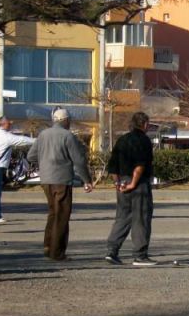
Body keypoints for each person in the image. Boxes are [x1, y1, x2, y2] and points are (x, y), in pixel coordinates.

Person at [27, 108, 93, 261]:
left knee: (53, 213)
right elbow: (78, 160)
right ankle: (57, 253)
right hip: (61, 179)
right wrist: (87, 180)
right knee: (62, 215)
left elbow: (31, 156)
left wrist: (44, 162)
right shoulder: (68, 136)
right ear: (65, 120)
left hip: (46, 179)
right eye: (69, 120)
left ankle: (48, 246)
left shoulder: (43, 134)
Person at [104, 112, 157, 266]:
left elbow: (112, 166)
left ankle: (112, 251)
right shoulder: (143, 140)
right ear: (145, 124)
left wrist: (118, 183)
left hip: (121, 182)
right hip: (138, 184)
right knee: (141, 218)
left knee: (122, 217)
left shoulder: (122, 140)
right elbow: (140, 165)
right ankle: (140, 255)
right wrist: (134, 183)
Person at [0, 116, 35, 223]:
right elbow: (22, 140)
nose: (11, 124)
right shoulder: (6, 136)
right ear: (4, 124)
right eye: (9, 123)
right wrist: (38, 140)